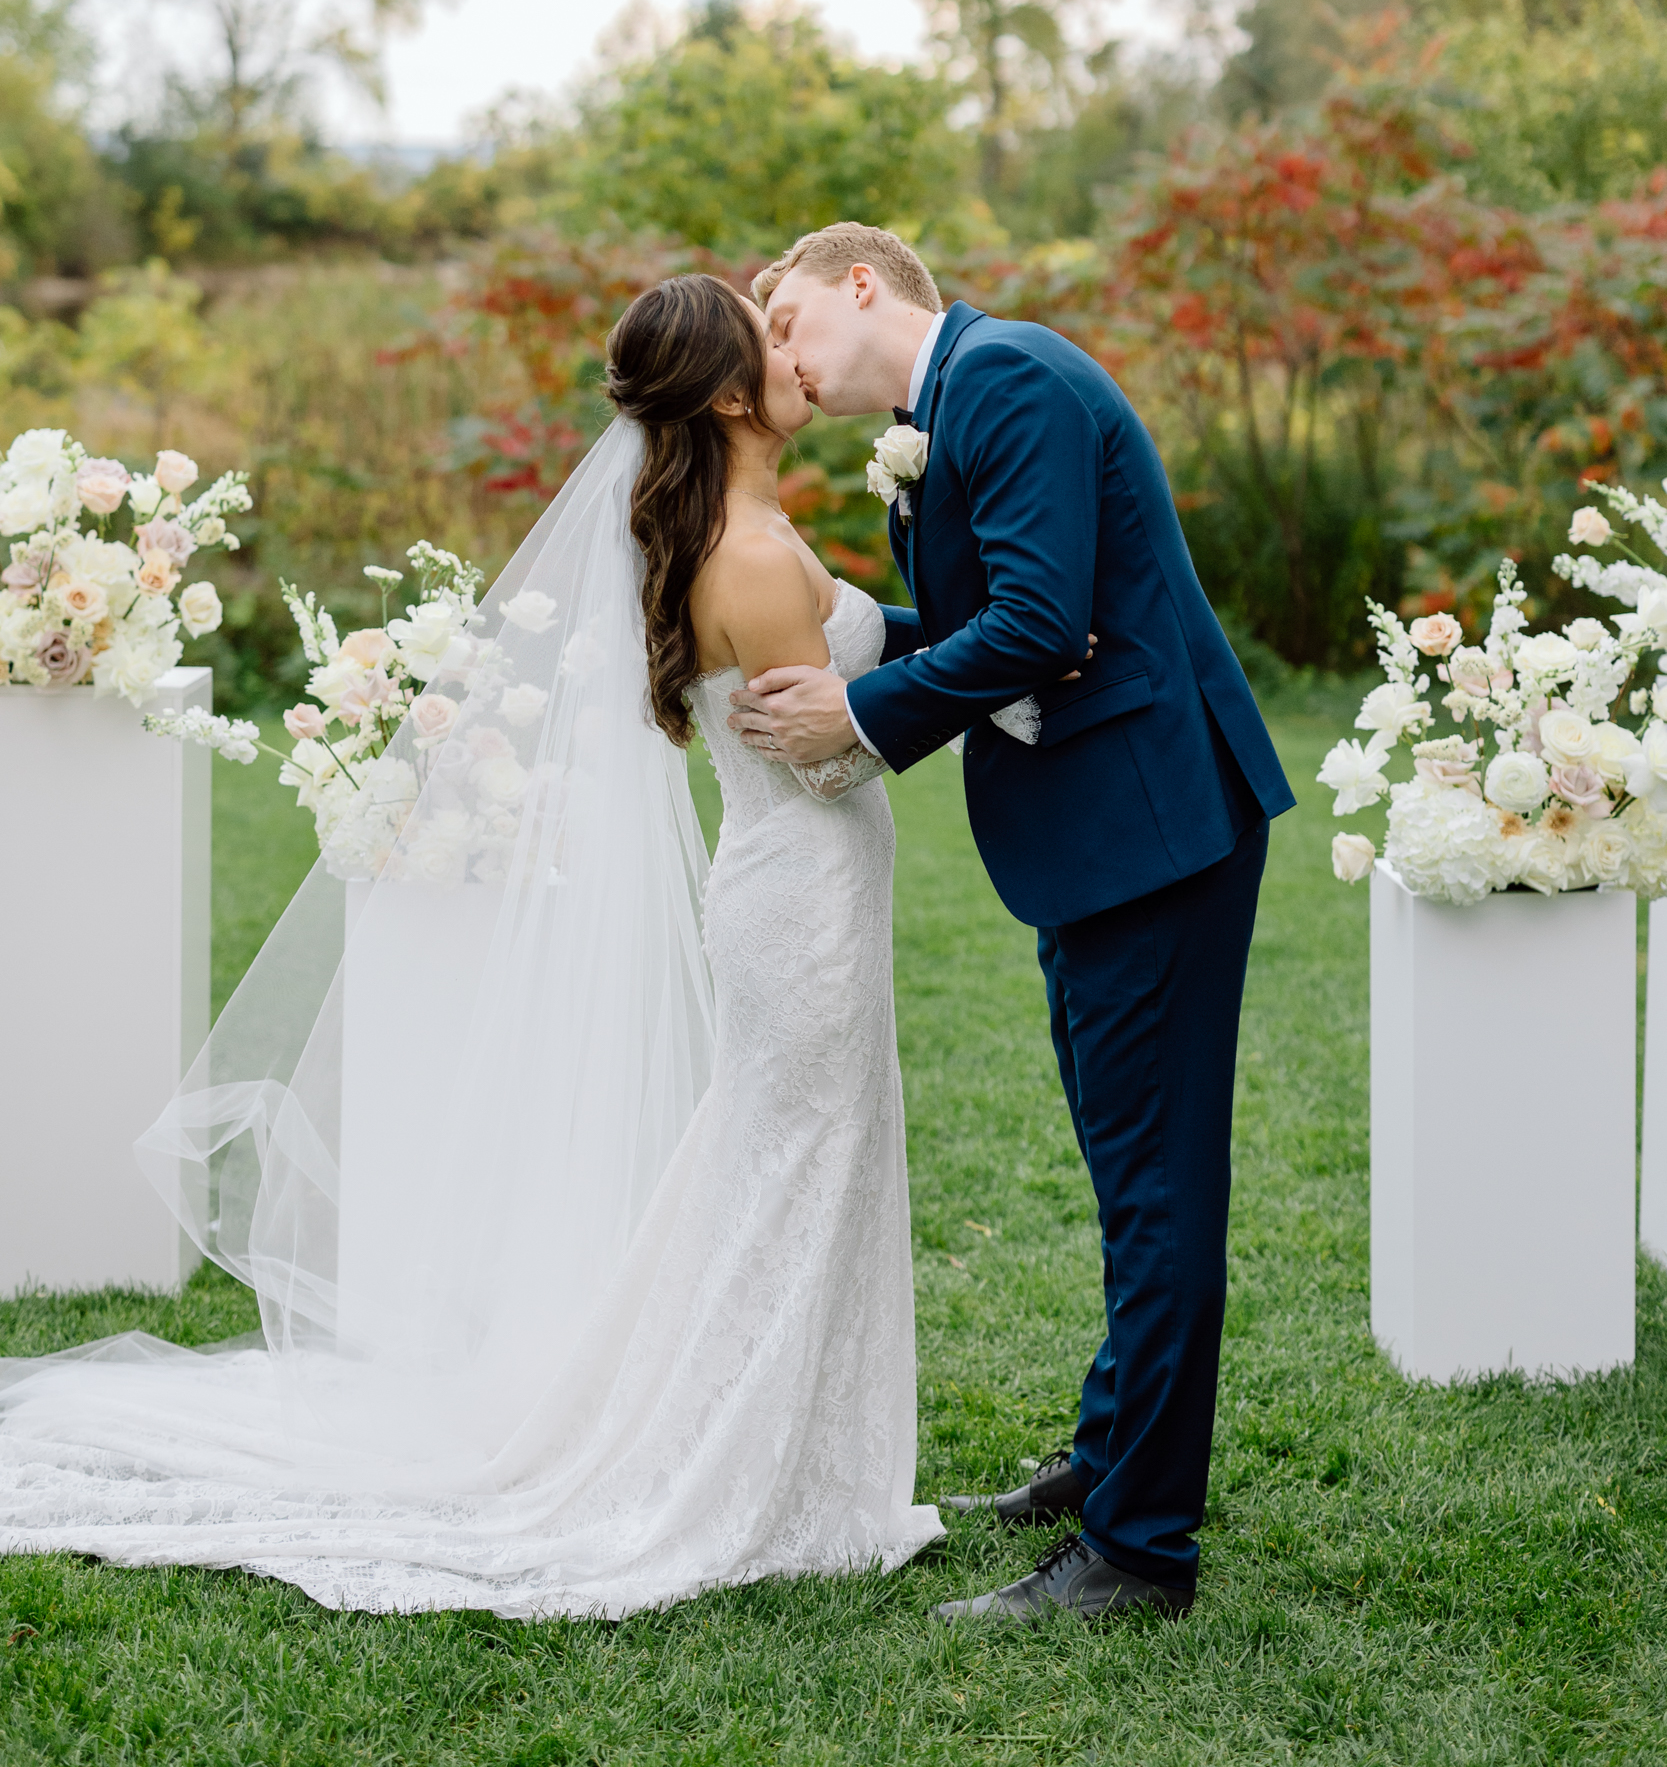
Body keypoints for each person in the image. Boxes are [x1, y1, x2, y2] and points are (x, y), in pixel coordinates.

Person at [0, 273, 943, 1618]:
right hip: (804, 906)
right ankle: (746, 1472)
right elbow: (827, 765)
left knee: (773, 1178)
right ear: (730, 393)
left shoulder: (728, 528)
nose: (793, 349)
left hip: (788, 900)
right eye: (768, 333)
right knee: (790, 1186)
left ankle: (791, 1456)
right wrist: (944, 709)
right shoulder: (743, 551)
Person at [730, 223, 1296, 1624]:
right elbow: (1014, 621)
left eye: (788, 314)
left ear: (863, 282)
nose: (778, 350)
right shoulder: (957, 402)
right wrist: (876, 643)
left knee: (1159, 1189)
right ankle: (1114, 1458)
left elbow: (1041, 626)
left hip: (1151, 830)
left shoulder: (1010, 378)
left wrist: (857, 712)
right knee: (1129, 1173)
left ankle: (1139, 1550)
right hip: (1100, 836)